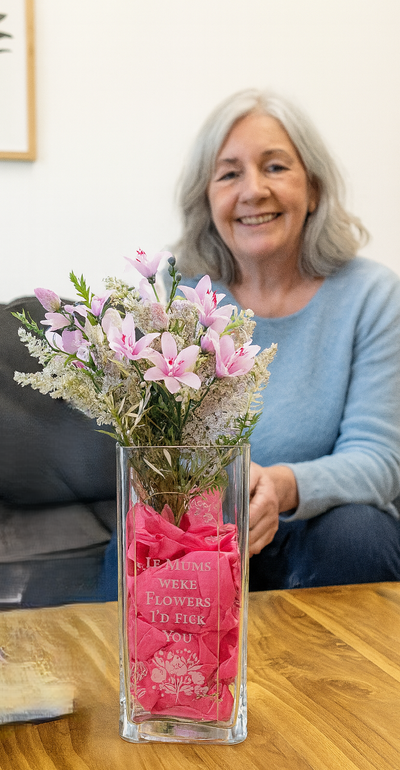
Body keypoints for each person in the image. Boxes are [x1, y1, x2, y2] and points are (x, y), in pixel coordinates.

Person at [173, 88, 400, 589]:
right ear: (206, 199)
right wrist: (225, 497)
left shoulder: (372, 296)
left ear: (313, 189)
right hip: (202, 531)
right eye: (229, 173)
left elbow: (379, 462)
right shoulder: (176, 299)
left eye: (275, 167)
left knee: (360, 530)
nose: (253, 191)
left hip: (318, 539)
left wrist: (280, 485)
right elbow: (155, 453)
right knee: (151, 534)